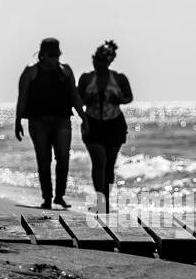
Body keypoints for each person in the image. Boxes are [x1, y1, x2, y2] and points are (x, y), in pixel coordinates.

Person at [15, 37, 84, 209]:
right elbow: (22, 97)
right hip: (38, 122)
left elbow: (75, 96)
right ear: (43, 55)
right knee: (44, 160)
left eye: (57, 55)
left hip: (62, 121)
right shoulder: (30, 72)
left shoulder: (66, 71)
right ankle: (47, 197)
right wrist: (17, 121)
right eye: (52, 55)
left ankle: (59, 196)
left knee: (63, 157)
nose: (55, 58)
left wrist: (85, 118)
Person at [78, 40, 133, 214]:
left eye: (101, 60)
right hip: (92, 123)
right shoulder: (86, 78)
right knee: (99, 161)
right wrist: (87, 101)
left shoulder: (119, 78)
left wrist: (120, 100)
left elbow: (129, 97)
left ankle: (106, 202)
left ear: (108, 61)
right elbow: (78, 99)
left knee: (109, 165)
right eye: (95, 59)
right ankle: (101, 202)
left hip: (114, 124)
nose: (97, 62)